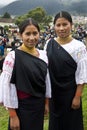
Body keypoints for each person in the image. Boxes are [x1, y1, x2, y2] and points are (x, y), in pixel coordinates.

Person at [0, 18, 51, 130]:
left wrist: (46, 103)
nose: (31, 38)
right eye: (27, 34)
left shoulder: (43, 55)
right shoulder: (13, 57)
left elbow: (46, 81)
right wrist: (13, 116)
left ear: (39, 34)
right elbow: (8, 86)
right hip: (21, 107)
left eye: (35, 33)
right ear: (20, 35)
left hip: (38, 106)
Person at [45, 11, 87, 130]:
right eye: (58, 25)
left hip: (70, 94)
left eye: (65, 24)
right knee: (55, 124)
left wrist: (77, 96)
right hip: (54, 93)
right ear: (54, 26)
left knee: (71, 124)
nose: (61, 28)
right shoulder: (49, 44)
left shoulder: (79, 47)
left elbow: (82, 74)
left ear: (71, 25)